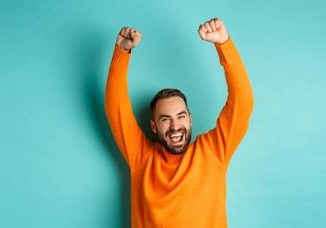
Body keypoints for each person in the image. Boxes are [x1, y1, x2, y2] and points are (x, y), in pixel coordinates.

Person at [105, 17, 253, 227]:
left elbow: (243, 102)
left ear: (190, 119)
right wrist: (122, 52)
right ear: (154, 126)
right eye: (166, 119)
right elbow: (115, 108)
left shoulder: (214, 151)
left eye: (181, 116)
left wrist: (223, 44)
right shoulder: (141, 158)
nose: (175, 126)